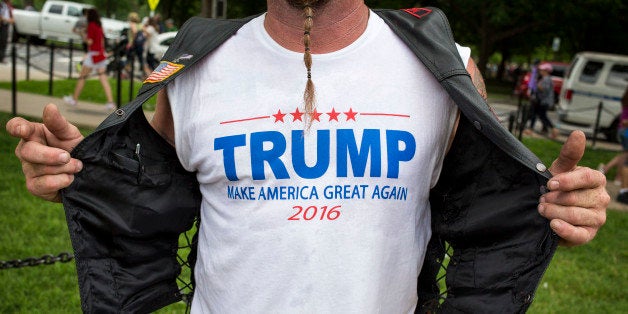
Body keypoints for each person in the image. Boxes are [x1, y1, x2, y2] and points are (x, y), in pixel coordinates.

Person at [5, 1, 608, 312]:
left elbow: (491, 195)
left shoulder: (443, 63)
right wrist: (77, 172)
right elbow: (143, 188)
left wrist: (562, 202)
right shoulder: (195, 65)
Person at [62, 8, 114, 111]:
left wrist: (82, 35)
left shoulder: (91, 25)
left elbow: (90, 42)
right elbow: (102, 40)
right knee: (103, 79)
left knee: (82, 77)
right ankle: (110, 102)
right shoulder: (99, 26)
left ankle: (74, 99)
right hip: (100, 54)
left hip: (93, 55)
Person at [532, 62, 559, 138]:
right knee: (541, 115)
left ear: (546, 71)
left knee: (542, 115)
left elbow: (545, 89)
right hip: (544, 101)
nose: (541, 72)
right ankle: (545, 129)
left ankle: (553, 129)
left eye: (542, 70)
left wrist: (538, 85)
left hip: (544, 101)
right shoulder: (545, 79)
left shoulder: (546, 79)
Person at [614, 86, 628, 203]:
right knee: (626, 160)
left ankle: (618, 178)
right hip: (626, 132)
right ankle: (624, 190)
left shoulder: (625, 100)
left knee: (624, 156)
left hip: (623, 131)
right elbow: (625, 122)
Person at [124, 12, 146, 79]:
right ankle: (143, 74)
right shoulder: (140, 25)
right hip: (140, 45)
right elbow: (146, 33)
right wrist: (142, 41)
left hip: (133, 44)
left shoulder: (132, 24)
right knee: (140, 60)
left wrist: (132, 43)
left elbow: (135, 31)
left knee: (128, 59)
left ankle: (127, 74)